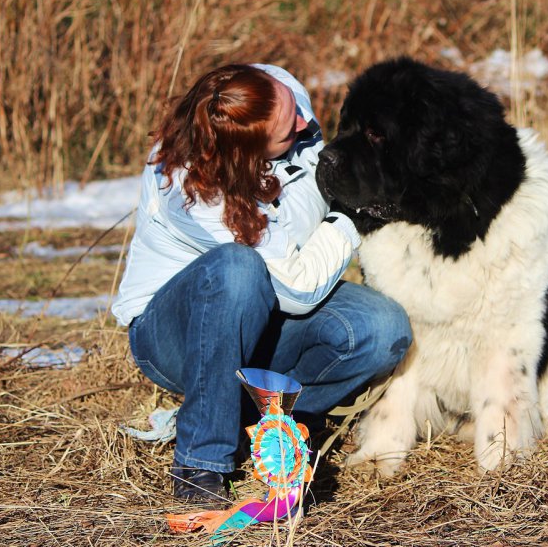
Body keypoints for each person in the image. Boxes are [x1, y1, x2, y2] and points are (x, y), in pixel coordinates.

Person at [111, 63, 412, 502]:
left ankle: (278, 426)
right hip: (173, 337)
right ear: (246, 155)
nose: (306, 123)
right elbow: (297, 290)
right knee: (236, 268)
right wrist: (350, 216)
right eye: (289, 133)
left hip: (264, 312)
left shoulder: (277, 94)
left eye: (293, 107)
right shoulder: (188, 190)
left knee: (382, 327)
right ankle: (201, 463)